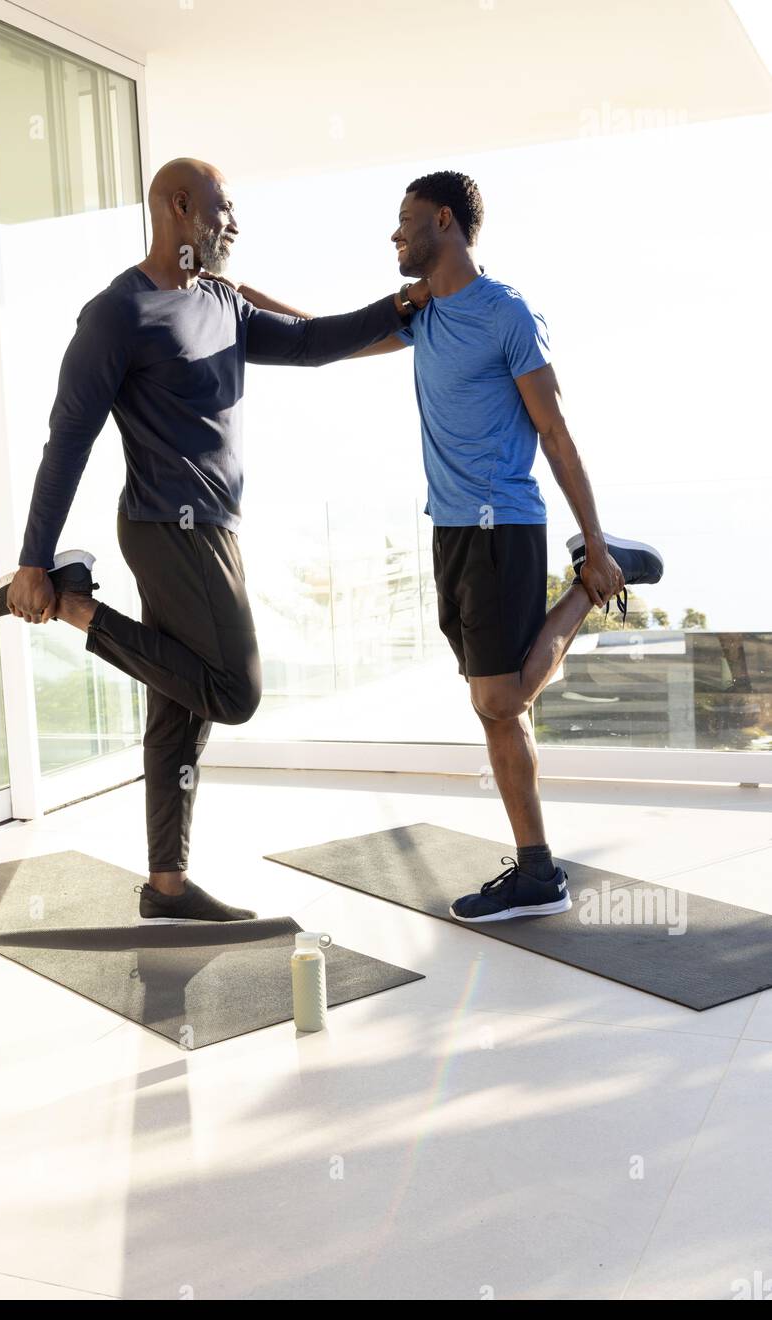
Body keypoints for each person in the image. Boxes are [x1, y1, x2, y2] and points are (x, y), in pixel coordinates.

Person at [0, 157, 429, 924]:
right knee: (234, 693)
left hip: (214, 529)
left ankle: (167, 886)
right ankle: (73, 606)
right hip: (165, 529)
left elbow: (314, 341)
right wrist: (31, 560)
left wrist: (401, 307)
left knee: (177, 707)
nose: (233, 223)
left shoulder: (221, 301)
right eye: (222, 208)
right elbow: (68, 440)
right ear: (180, 207)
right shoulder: (118, 313)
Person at [231, 170, 663, 923]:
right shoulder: (420, 314)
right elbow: (320, 339)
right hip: (453, 530)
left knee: (499, 697)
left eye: (403, 221)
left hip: (504, 524)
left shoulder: (508, 314)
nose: (394, 236)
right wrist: (246, 300)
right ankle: (536, 872)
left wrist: (591, 541)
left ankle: (592, 580)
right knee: (496, 711)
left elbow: (554, 431)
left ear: (444, 221)